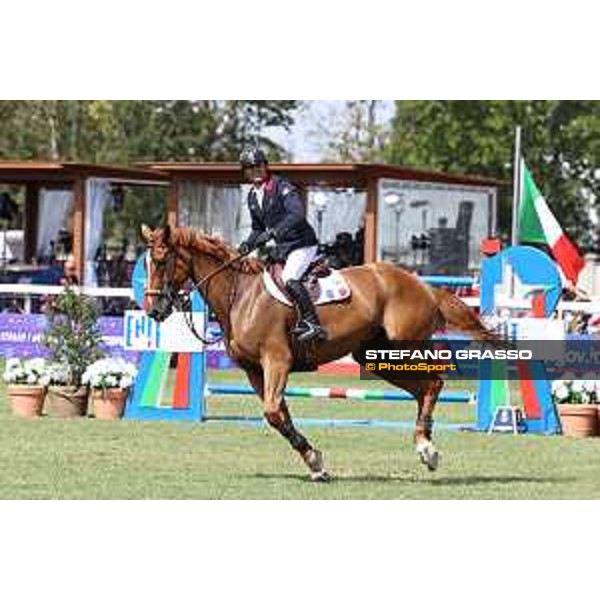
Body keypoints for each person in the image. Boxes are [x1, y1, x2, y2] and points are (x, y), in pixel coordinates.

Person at [237, 146, 326, 343]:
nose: (255, 170)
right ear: (245, 171)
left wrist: (274, 232)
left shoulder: (281, 186)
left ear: (265, 166)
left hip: (302, 244)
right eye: (250, 168)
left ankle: (313, 323)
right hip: (284, 248)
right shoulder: (252, 196)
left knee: (289, 278)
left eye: (258, 165)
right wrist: (247, 245)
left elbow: (297, 214)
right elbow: (258, 228)